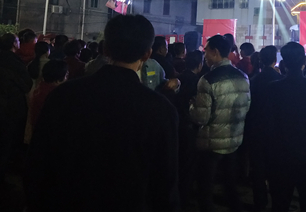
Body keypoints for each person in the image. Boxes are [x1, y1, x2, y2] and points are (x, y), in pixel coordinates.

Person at [24, 14, 180, 212]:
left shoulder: (64, 95)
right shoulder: (161, 110)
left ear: (105, 49)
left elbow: (37, 163)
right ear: (147, 54)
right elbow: (165, 184)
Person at [265, 42, 306, 212]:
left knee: (280, 203)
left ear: (283, 63)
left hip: (281, 154)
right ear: (304, 61)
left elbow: (268, 121)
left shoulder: (273, 88)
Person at [189, 35, 250, 212]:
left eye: (206, 51)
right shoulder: (243, 76)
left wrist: (191, 106)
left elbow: (200, 117)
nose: (204, 55)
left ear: (215, 52)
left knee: (205, 187)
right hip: (234, 139)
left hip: (211, 143)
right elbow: (246, 107)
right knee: (230, 184)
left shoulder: (207, 80)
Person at [244, 45, 283, 212]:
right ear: (275, 60)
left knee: (258, 169)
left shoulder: (253, 80)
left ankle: (259, 202)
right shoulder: (280, 80)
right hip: (276, 130)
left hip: (256, 129)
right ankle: (277, 203)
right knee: (275, 169)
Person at [0, 33, 33, 181]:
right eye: (18, 40)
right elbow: (26, 84)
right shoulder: (15, 62)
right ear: (14, 44)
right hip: (10, 107)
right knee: (6, 142)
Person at [176, 50, 204, 209]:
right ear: (200, 65)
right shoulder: (199, 82)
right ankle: (184, 199)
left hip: (178, 125)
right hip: (190, 126)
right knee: (189, 165)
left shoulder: (177, 78)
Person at [28, 60, 68, 135]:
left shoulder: (39, 88)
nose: (66, 79)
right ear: (57, 80)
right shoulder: (55, 95)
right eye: (66, 76)